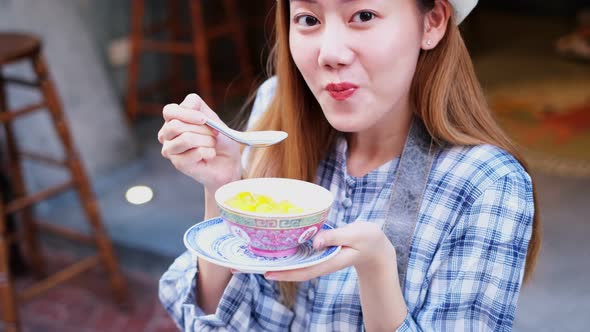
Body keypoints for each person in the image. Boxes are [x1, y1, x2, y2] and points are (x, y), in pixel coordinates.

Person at [157, 0, 541, 330]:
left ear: (433, 22)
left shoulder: (487, 185)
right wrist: (223, 188)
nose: (331, 53)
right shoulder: (276, 112)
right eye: (309, 19)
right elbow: (212, 320)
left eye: (363, 15)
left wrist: (376, 274)